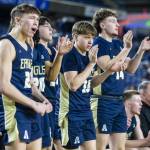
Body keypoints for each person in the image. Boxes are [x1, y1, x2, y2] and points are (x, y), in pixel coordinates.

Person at [92, 8, 150, 150]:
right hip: (102, 100)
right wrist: (126, 49)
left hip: (118, 100)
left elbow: (131, 69)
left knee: (119, 147)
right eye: (112, 21)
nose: (117, 24)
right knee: (100, 146)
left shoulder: (118, 44)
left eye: (117, 21)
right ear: (102, 25)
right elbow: (108, 66)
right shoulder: (98, 43)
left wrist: (141, 50)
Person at [0, 3, 51, 150]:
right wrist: (34, 104)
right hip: (14, 110)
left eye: (38, 19)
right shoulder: (6, 45)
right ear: (17, 20)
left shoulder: (29, 46)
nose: (36, 22)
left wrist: (43, 99)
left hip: (30, 109)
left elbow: (29, 82)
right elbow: (4, 86)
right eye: (32, 18)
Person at [59, 20, 116, 150]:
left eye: (92, 38)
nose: (90, 41)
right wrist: (91, 64)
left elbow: (90, 84)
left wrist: (108, 72)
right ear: (74, 36)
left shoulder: (89, 56)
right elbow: (73, 85)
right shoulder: (70, 56)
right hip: (71, 112)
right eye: (86, 37)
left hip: (86, 110)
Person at [33, 16, 73, 150]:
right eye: (47, 26)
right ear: (37, 28)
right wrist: (60, 55)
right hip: (42, 100)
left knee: (56, 142)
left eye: (52, 27)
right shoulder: (38, 49)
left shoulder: (50, 50)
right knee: (46, 144)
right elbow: (51, 76)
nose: (51, 30)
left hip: (52, 100)